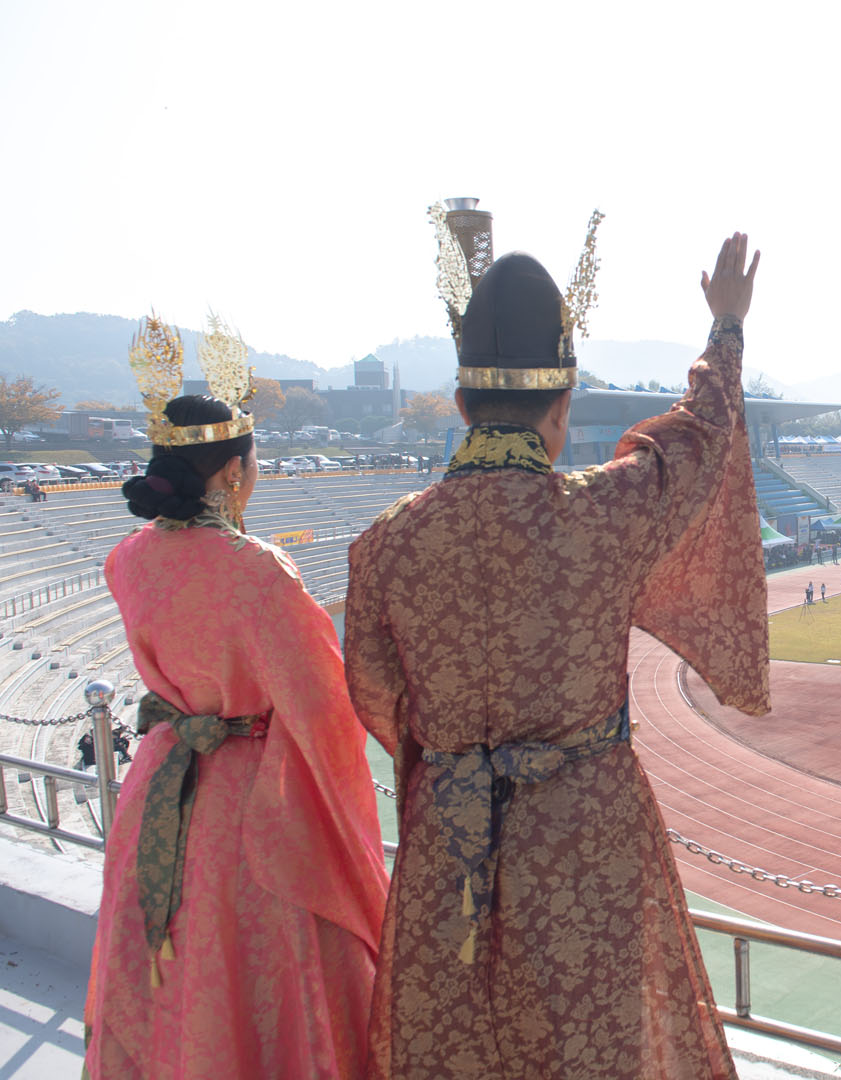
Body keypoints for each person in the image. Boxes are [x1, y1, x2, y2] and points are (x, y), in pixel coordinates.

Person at [346, 235, 770, 1077]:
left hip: (449, 844)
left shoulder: (386, 544)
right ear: (564, 404)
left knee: (457, 1041)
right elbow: (697, 437)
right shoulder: (603, 512)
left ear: (461, 404)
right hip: (587, 842)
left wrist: (459, 760)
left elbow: (376, 692)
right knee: (592, 1041)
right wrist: (725, 326)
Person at [87, 386, 387, 1077]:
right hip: (243, 803)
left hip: (157, 785)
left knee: (171, 964)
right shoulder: (257, 569)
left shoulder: (128, 557)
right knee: (250, 962)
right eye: (254, 462)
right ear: (230, 471)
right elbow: (320, 703)